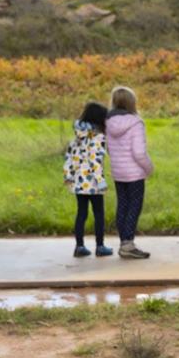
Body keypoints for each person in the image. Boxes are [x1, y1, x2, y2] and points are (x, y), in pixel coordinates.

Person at [105, 85, 154, 259]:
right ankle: (128, 245)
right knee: (134, 206)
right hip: (134, 174)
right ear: (131, 102)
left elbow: (108, 148)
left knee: (123, 206)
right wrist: (149, 168)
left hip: (119, 172)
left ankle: (124, 243)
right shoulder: (136, 122)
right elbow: (139, 153)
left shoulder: (108, 122)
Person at [63, 101, 113, 258]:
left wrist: (68, 176)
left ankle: (79, 246)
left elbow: (69, 158)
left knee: (81, 214)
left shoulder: (77, 138)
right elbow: (95, 160)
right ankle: (100, 246)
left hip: (78, 182)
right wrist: (101, 180)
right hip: (93, 183)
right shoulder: (98, 137)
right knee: (98, 214)